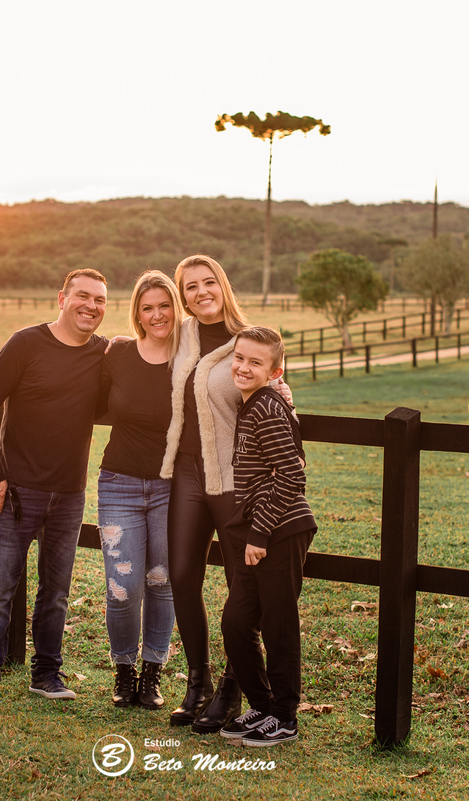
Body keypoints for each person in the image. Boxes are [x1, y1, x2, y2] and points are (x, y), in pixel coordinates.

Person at [0, 268, 109, 709]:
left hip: (69, 493)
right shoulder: (25, 343)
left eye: (99, 300)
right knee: (0, 587)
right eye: (82, 296)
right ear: (61, 298)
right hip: (16, 491)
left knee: (56, 590)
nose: (90, 306)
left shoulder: (103, 354)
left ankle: (46, 673)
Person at [159, 253, 256, 733]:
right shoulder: (183, 338)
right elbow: (141, 343)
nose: (201, 292)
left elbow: (281, 406)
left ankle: (233, 690)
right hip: (187, 475)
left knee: (242, 588)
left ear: (223, 283)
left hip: (236, 480)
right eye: (190, 287)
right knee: (181, 575)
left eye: (208, 282)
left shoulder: (252, 342)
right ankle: (197, 682)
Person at [218, 325, 316, 747]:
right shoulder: (255, 402)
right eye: (239, 358)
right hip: (258, 531)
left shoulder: (265, 407)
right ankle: (261, 704)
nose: (243, 367)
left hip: (281, 530)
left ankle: (286, 717)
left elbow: (293, 474)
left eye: (255, 362)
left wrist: (258, 534)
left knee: (278, 623)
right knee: (237, 622)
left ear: (275, 370)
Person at [96, 270, 182, 709]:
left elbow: (241, 373)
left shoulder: (191, 357)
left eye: (164, 305)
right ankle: (123, 670)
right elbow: (82, 392)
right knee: (122, 586)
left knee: (161, 581)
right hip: (120, 484)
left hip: (173, 487)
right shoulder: (119, 353)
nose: (157, 314)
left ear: (175, 308)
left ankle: (152, 673)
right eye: (147, 307)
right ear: (138, 313)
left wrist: (279, 384)